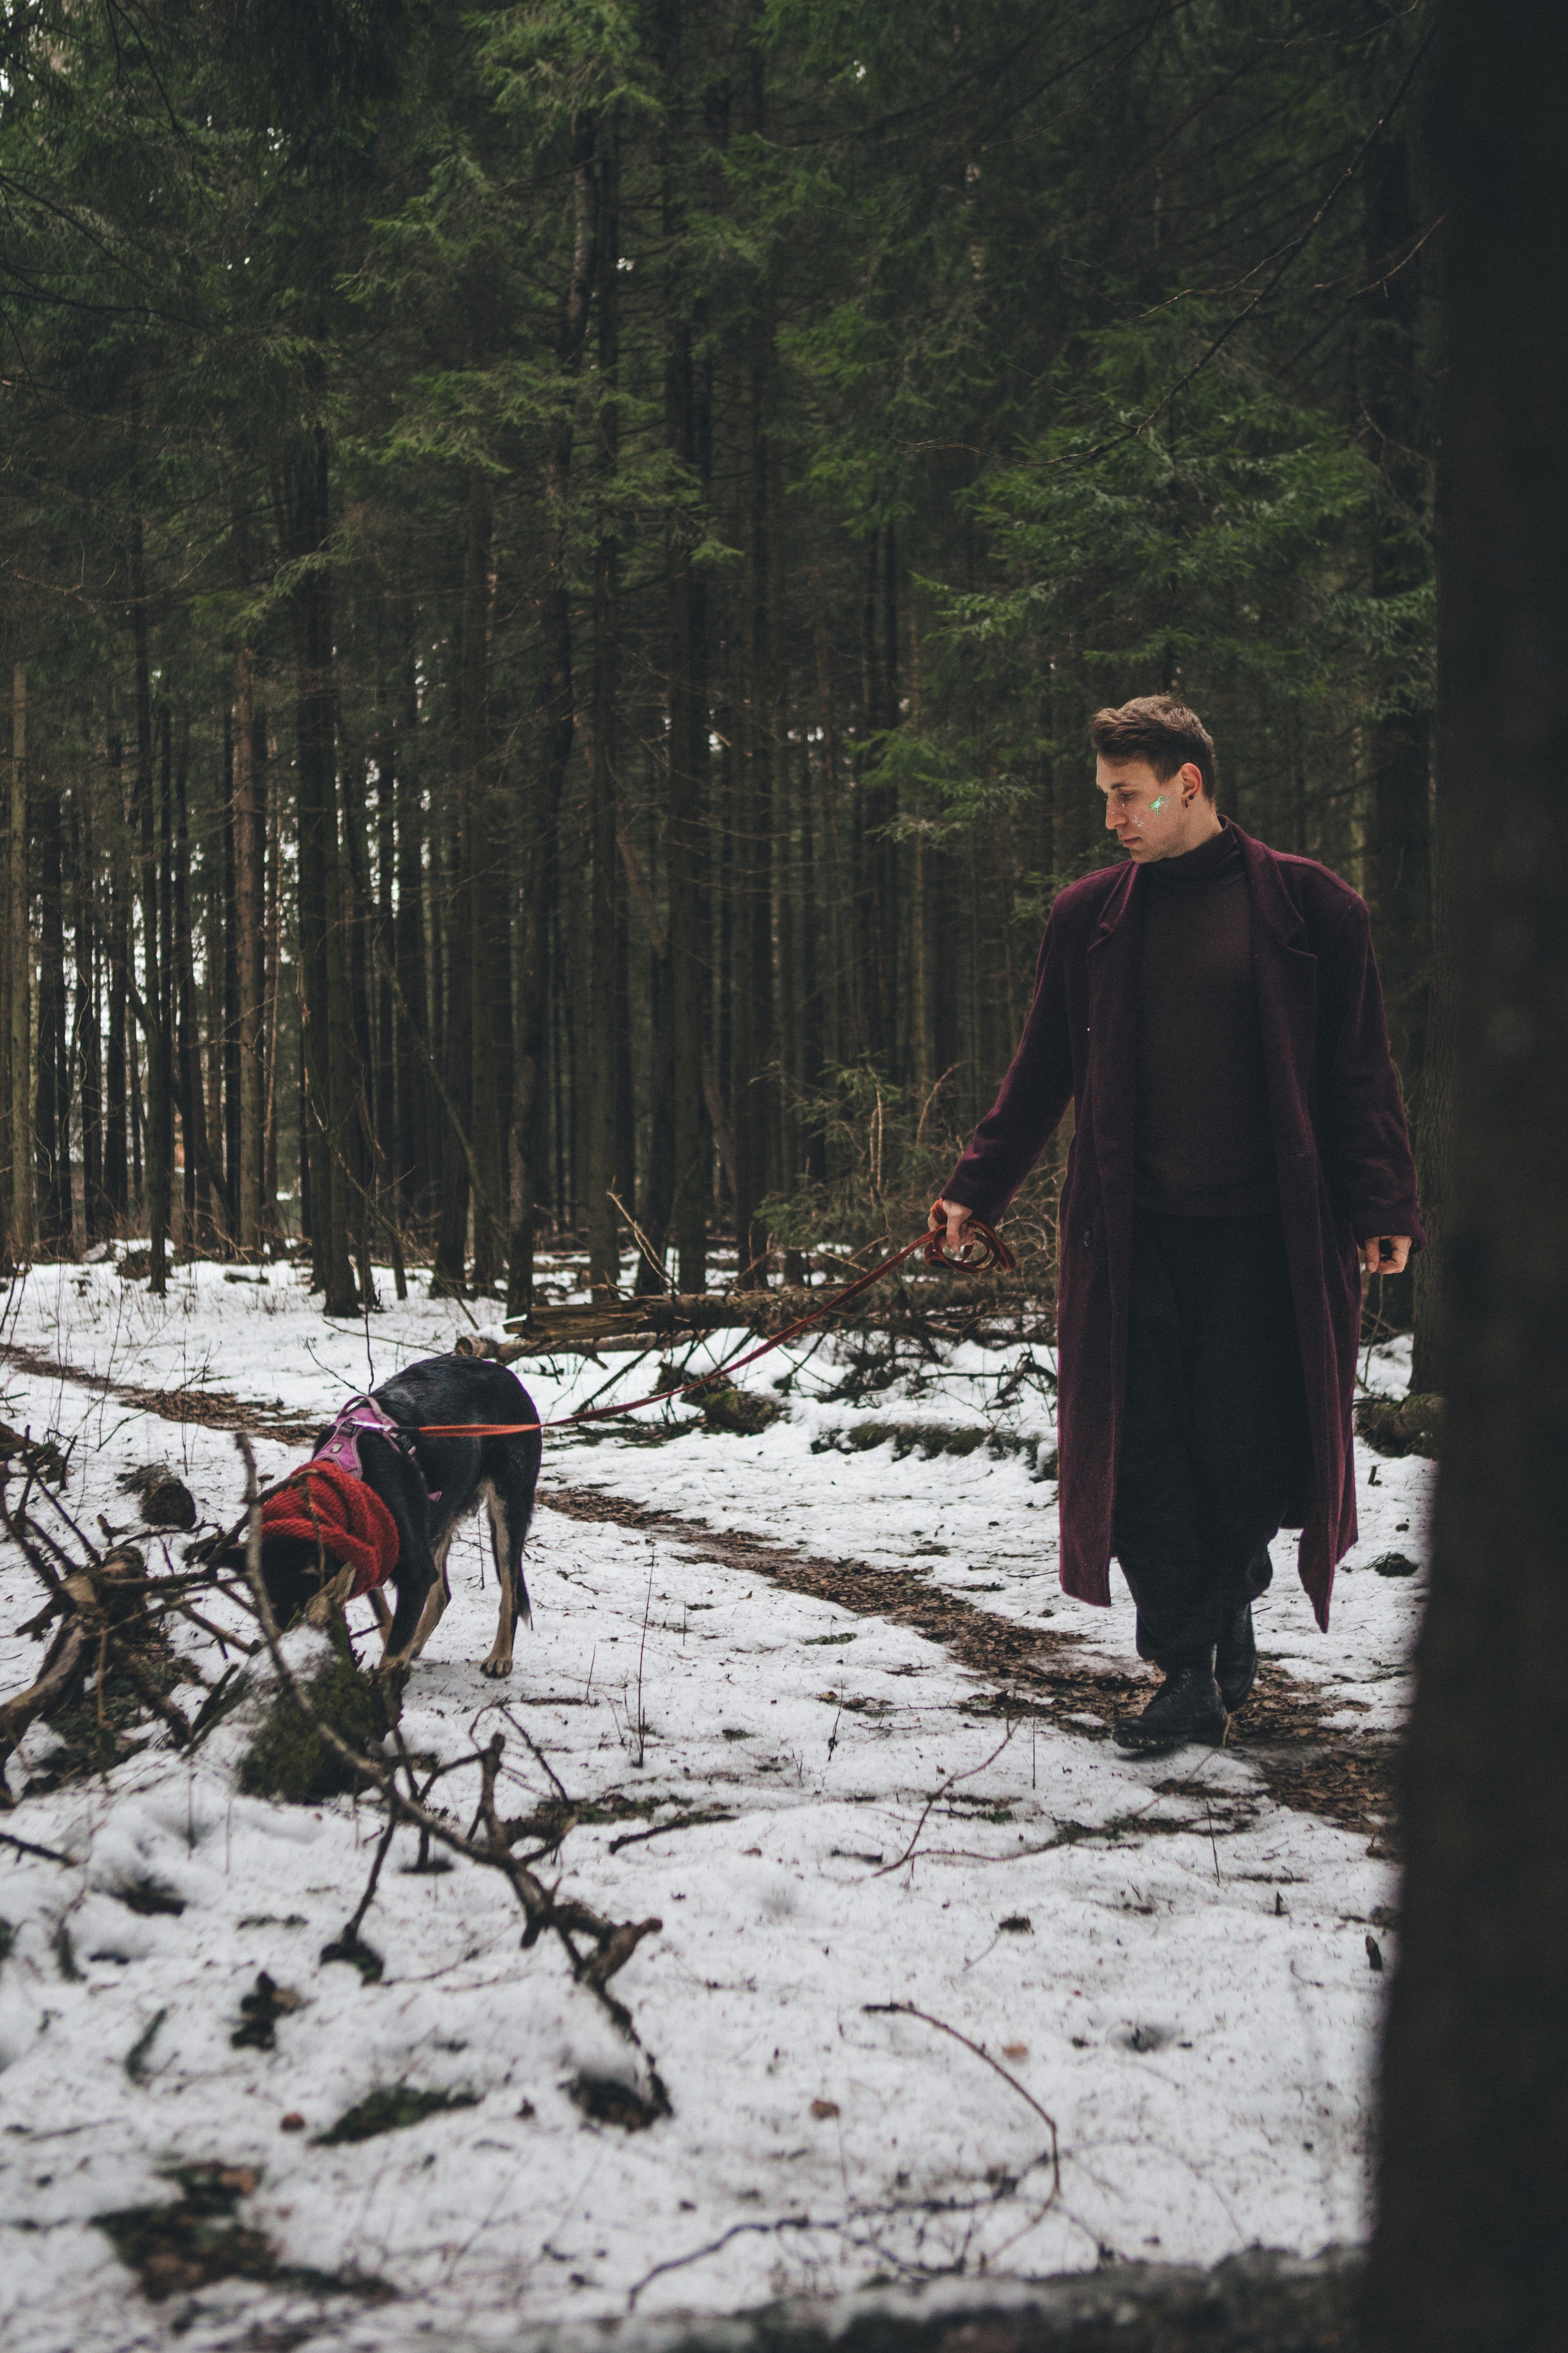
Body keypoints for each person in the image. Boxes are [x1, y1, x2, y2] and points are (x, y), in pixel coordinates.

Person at [933, 697, 1423, 1754]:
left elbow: (1356, 1069)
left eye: (1127, 795)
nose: (1113, 817)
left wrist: (1384, 1199)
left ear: (1187, 785)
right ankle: (1186, 1670)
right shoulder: (1091, 919)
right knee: (1143, 1452)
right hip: (1132, 1238)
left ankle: (1226, 1591)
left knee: (1245, 1453)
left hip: (1267, 1242)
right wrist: (978, 1186)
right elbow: (1041, 1073)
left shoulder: (1311, 909)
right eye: (1105, 797)